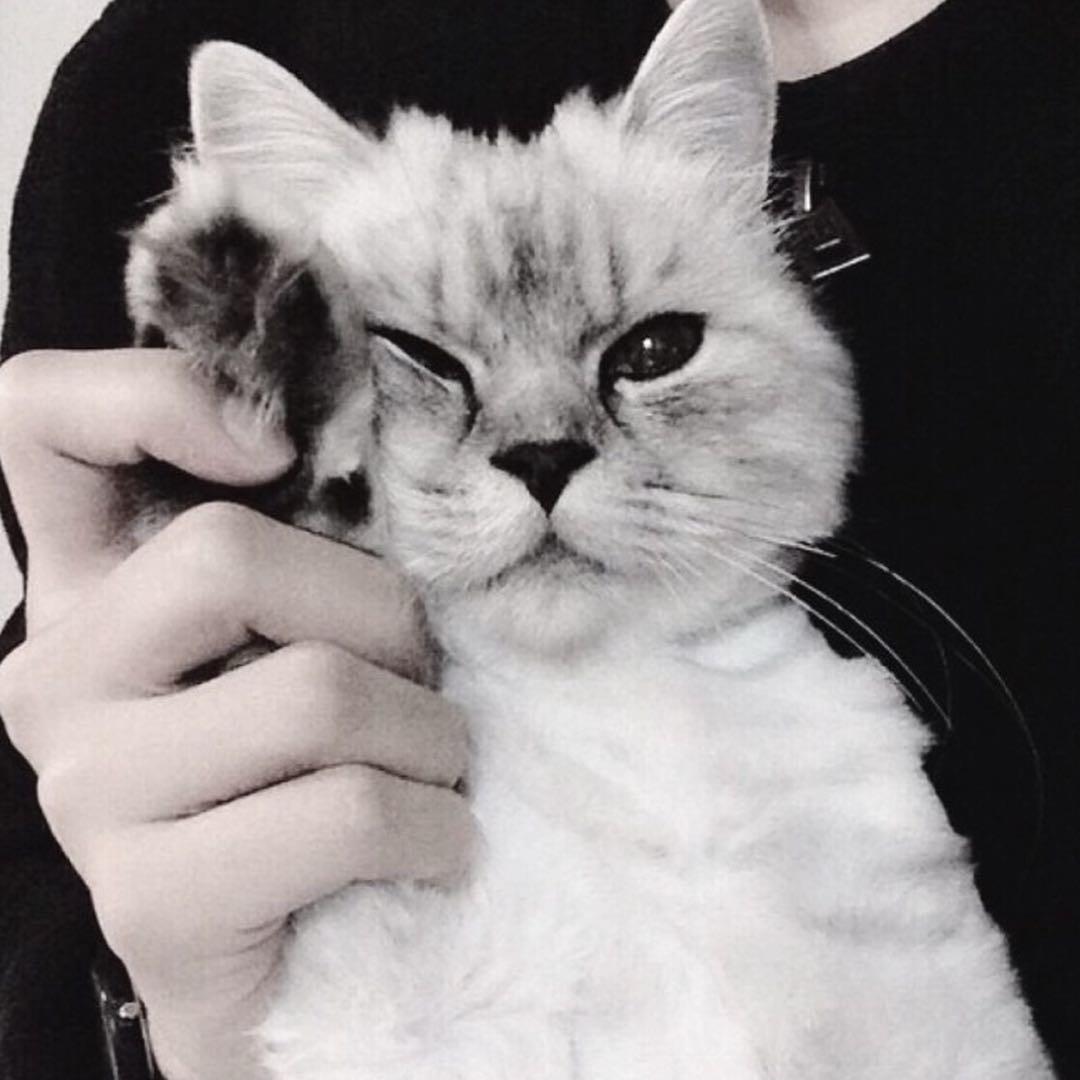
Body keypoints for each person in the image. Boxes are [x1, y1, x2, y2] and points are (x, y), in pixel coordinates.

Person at [0, 0, 1076, 1077]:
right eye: (423, 362)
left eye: (649, 351)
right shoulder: (161, 60)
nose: (545, 445)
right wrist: (179, 1014)